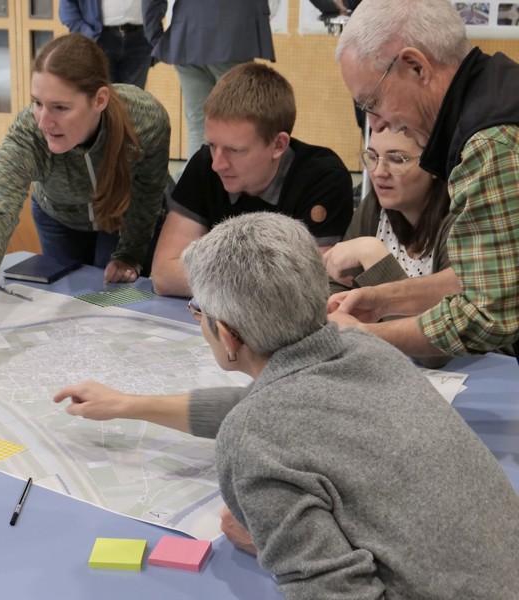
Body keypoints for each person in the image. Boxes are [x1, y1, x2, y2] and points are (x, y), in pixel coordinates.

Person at [54, 212, 519, 599]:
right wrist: (130, 404)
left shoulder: (256, 437)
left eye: (200, 311)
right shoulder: (366, 351)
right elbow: (270, 409)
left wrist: (277, 542)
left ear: (229, 335)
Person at [0, 33, 170, 382]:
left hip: (122, 217)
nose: (44, 121)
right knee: (67, 308)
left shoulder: (145, 118)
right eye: (37, 103)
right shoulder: (28, 135)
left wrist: (130, 253)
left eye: (60, 107)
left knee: (116, 309)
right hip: (60, 218)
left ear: (99, 99)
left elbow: (149, 194)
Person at [331, 0, 519, 360]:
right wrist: (383, 298)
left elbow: (488, 313)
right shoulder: (500, 87)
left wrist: (367, 335)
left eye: (373, 102)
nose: (376, 126)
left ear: (416, 66)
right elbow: (482, 274)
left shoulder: (488, 142)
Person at [150, 62, 353, 297]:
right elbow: (165, 275)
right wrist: (265, 280)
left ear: (278, 145)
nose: (218, 164)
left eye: (235, 150)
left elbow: (310, 288)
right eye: (213, 145)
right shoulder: (205, 164)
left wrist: (211, 275)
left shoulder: (323, 178)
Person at [324, 128, 453, 293]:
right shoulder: (376, 205)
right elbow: (338, 285)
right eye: (372, 157)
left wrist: (373, 255)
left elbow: (448, 316)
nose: (378, 172)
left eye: (397, 160)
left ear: (435, 164)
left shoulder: (461, 219)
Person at [143, 0, 275, 161]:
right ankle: (231, 183)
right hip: (232, 38)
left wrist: (154, 36)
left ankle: (198, 183)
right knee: (238, 119)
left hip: (187, 37)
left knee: (198, 124)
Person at [59, 0, 154, 89]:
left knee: (135, 100)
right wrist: (85, 32)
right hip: (99, 38)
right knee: (101, 97)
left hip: (140, 39)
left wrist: (155, 28)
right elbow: (67, 6)